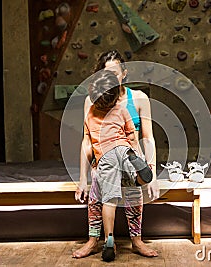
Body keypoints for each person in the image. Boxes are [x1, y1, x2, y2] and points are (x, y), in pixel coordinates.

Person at [73, 50, 160, 258]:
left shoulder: (139, 99)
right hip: (102, 160)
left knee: (134, 191)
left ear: (124, 73)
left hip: (130, 156)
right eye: (106, 73)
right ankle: (94, 240)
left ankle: (137, 241)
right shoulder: (92, 100)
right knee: (97, 187)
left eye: (115, 72)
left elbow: (147, 138)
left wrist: (153, 174)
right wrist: (82, 178)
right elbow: (87, 140)